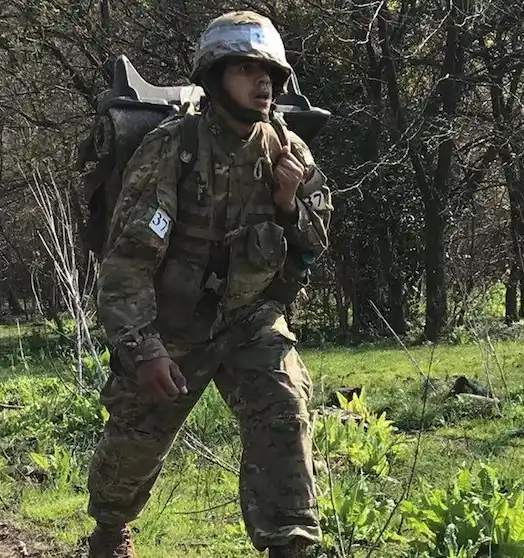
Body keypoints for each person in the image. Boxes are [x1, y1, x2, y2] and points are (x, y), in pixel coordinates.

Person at [86, 10, 332, 558]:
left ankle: (290, 545)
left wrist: (288, 203)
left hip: (249, 319)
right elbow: (126, 264)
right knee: (133, 447)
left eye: (270, 71)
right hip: (172, 325)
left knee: (285, 408)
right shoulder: (172, 150)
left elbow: (317, 240)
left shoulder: (289, 151)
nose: (263, 82)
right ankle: (108, 531)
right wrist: (143, 350)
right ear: (215, 76)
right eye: (246, 69)